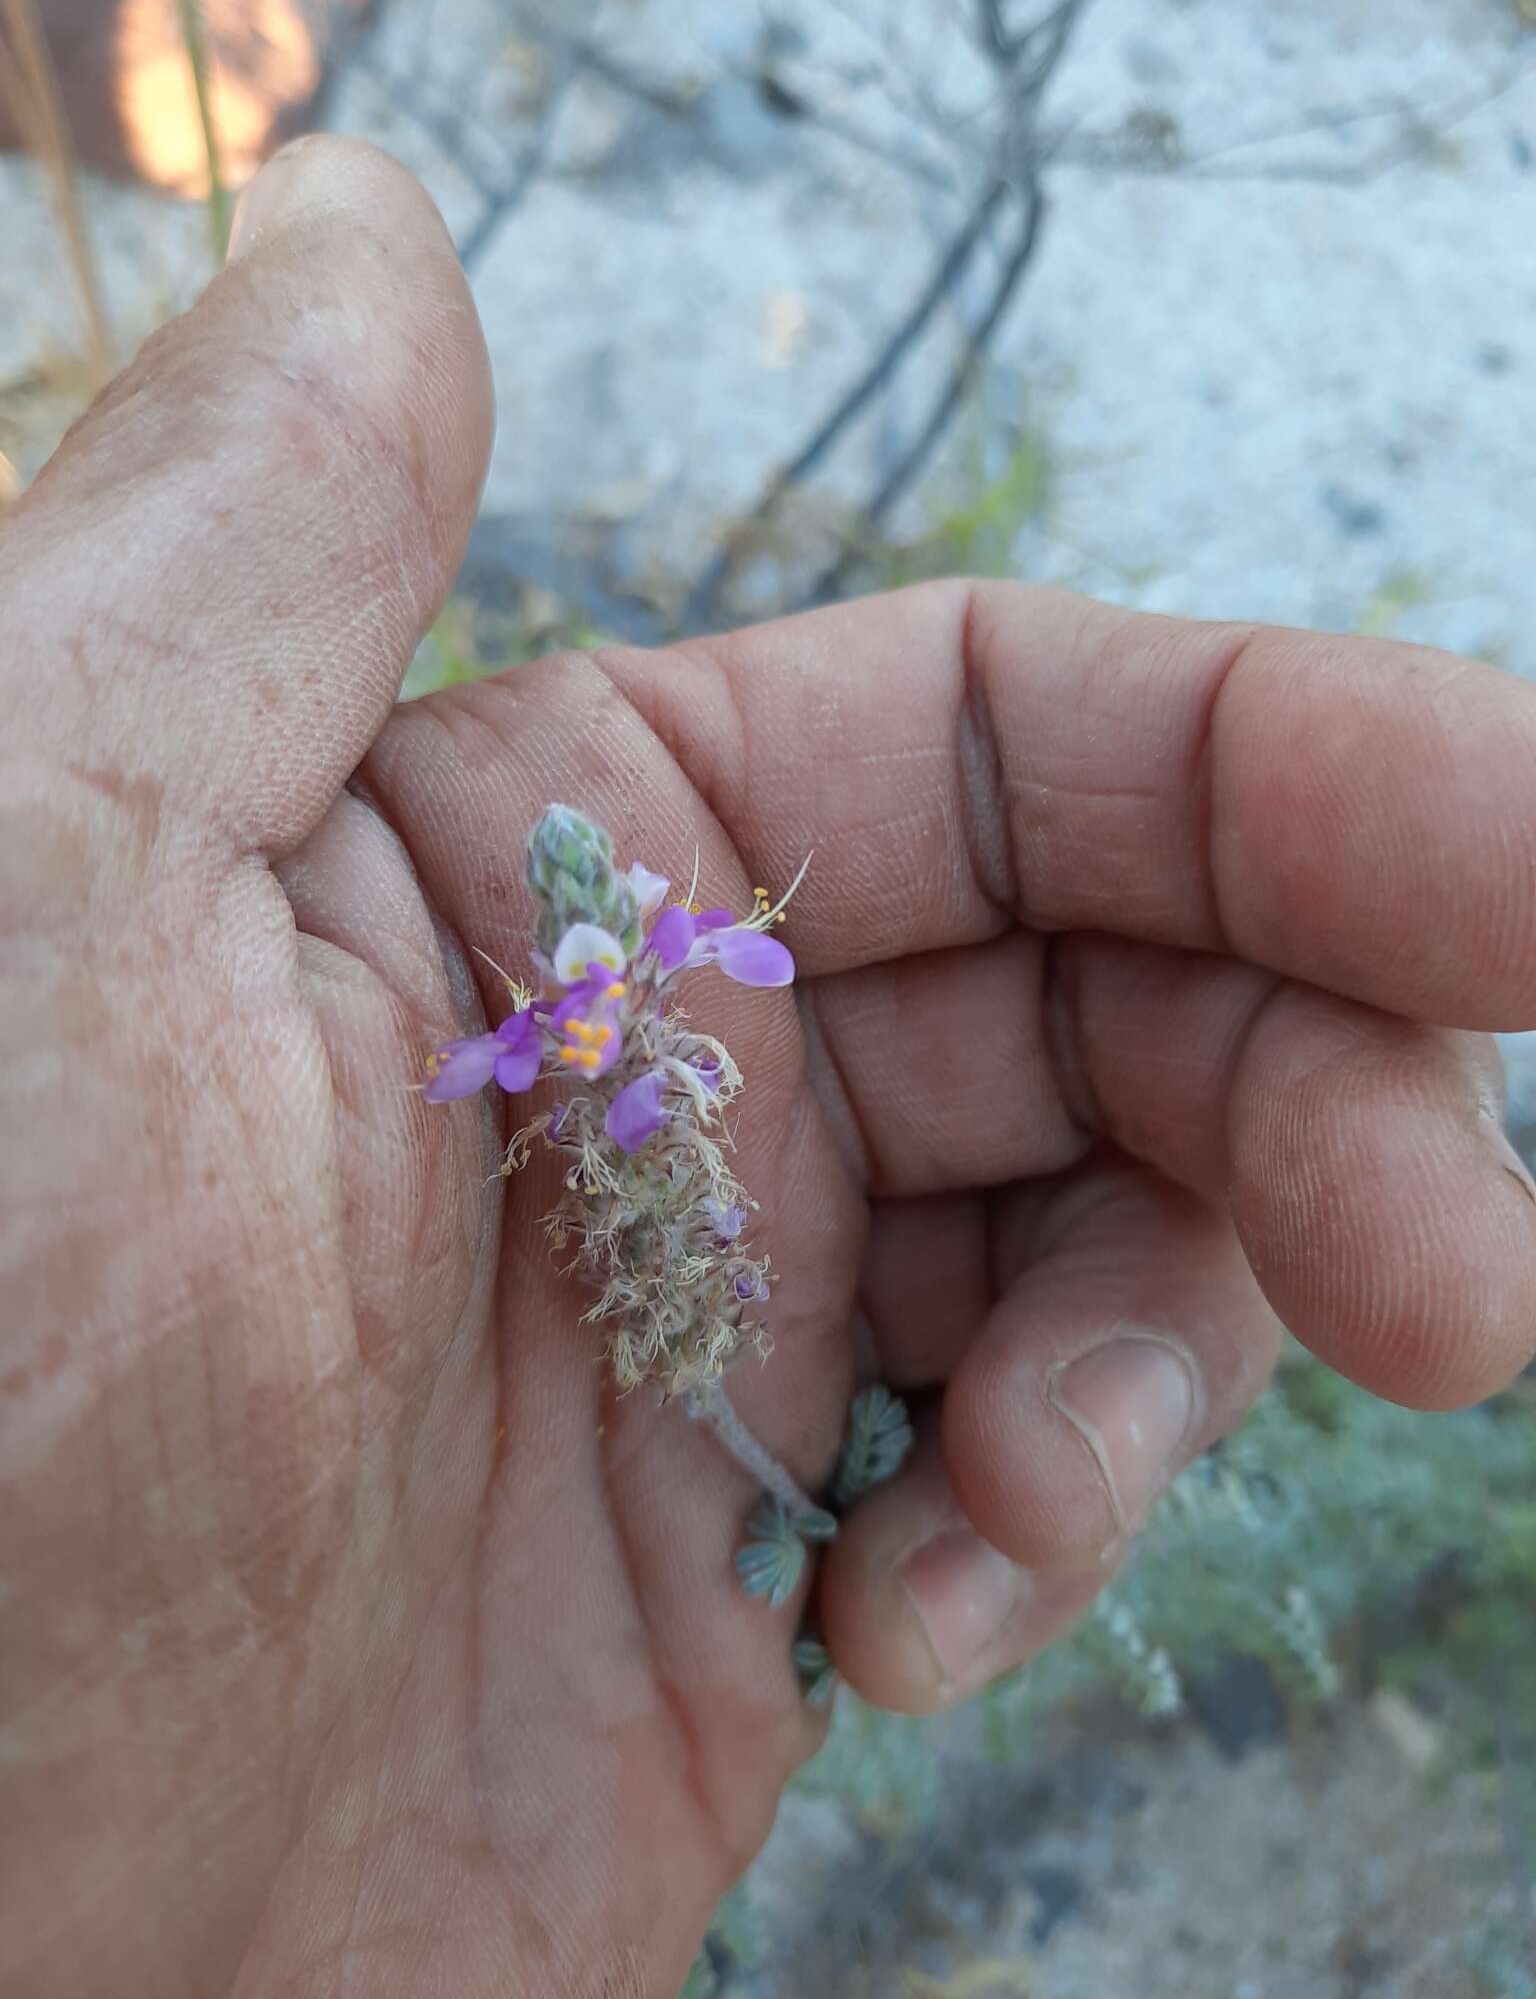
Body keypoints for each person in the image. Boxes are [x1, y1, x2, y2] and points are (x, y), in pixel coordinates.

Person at [3, 134, 1534, 1999]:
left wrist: (647, 1002)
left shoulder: (642, 1010)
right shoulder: (560, 1045)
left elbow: (663, 1010)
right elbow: (551, 1062)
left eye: (595, 987)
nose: (581, 1007)